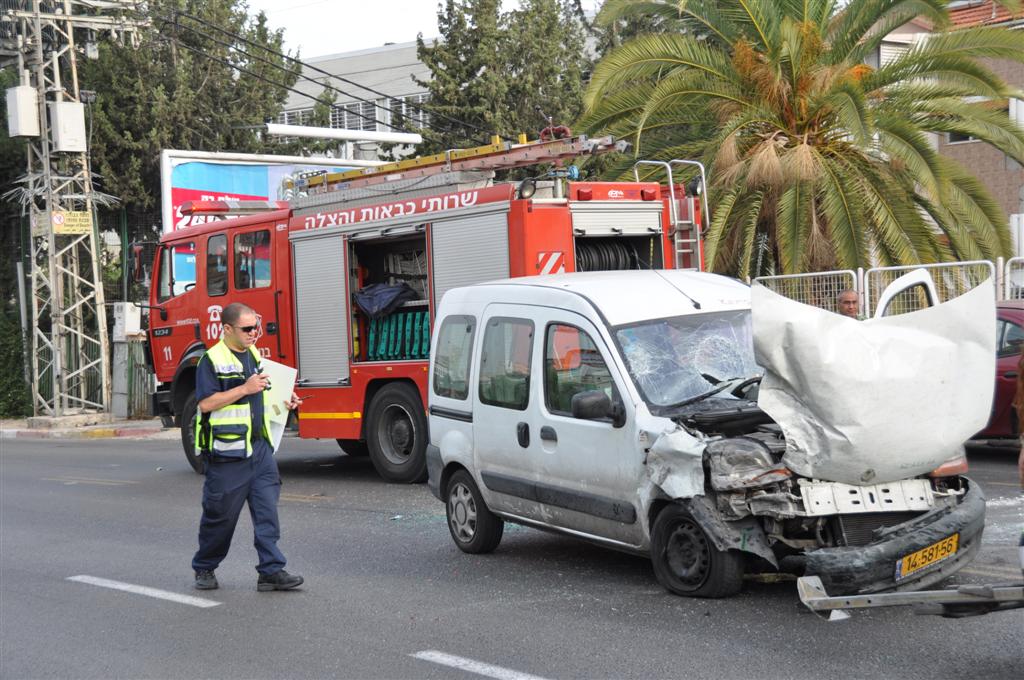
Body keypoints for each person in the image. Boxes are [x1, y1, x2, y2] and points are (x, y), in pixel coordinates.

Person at [191, 302, 304, 592]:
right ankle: (205, 566)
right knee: (221, 518)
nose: (255, 333)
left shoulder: (253, 354)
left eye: (257, 326)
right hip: (228, 454)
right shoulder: (211, 360)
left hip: (260, 450)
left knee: (268, 513)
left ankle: (271, 570)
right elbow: (205, 403)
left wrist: (286, 400)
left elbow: (261, 396)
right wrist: (244, 388)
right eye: (247, 328)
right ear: (227, 329)